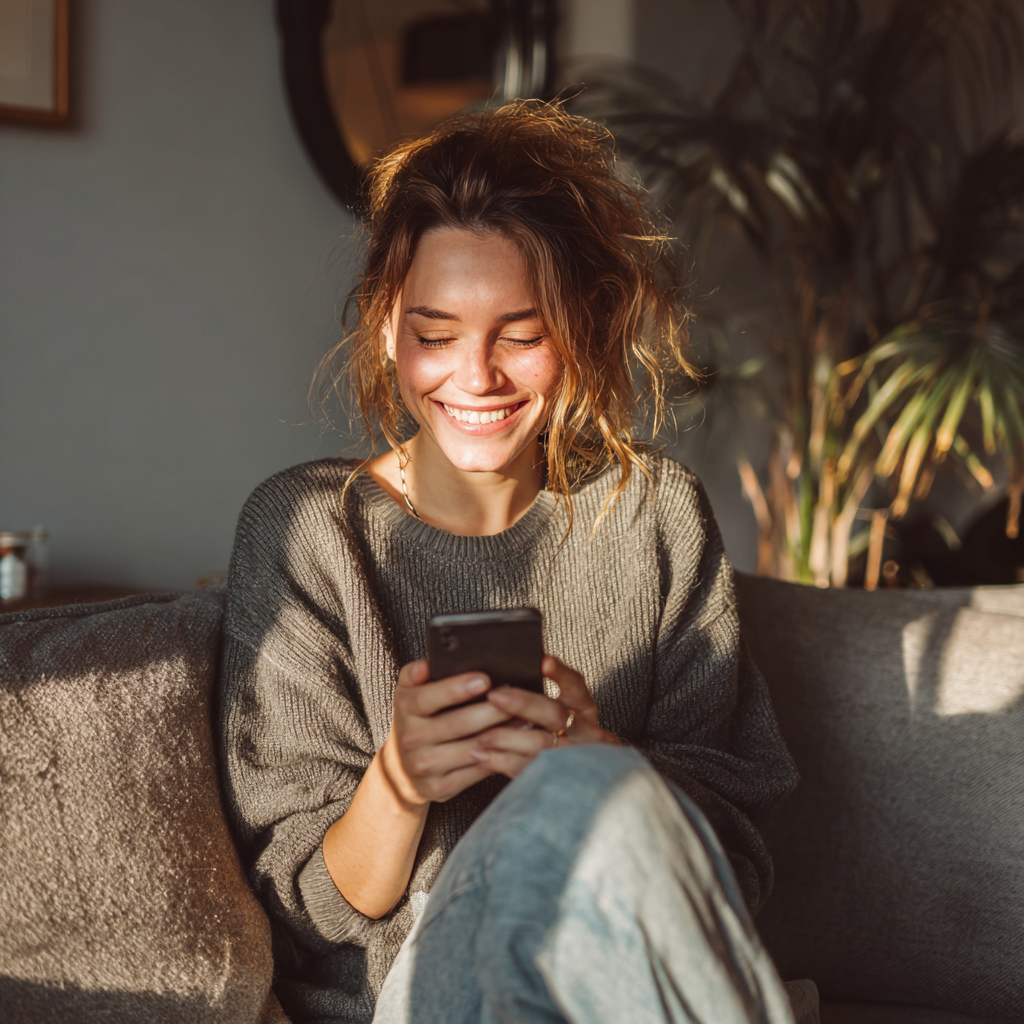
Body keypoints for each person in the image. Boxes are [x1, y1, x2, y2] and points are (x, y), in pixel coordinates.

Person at [219, 100, 801, 1024]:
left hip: (609, 968)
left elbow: (730, 858)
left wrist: (597, 763)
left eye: (522, 335)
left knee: (588, 786)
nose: (477, 377)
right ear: (386, 327)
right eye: (437, 334)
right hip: (416, 991)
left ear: (581, 329)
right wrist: (401, 777)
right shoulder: (309, 533)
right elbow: (304, 915)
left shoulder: (657, 517)